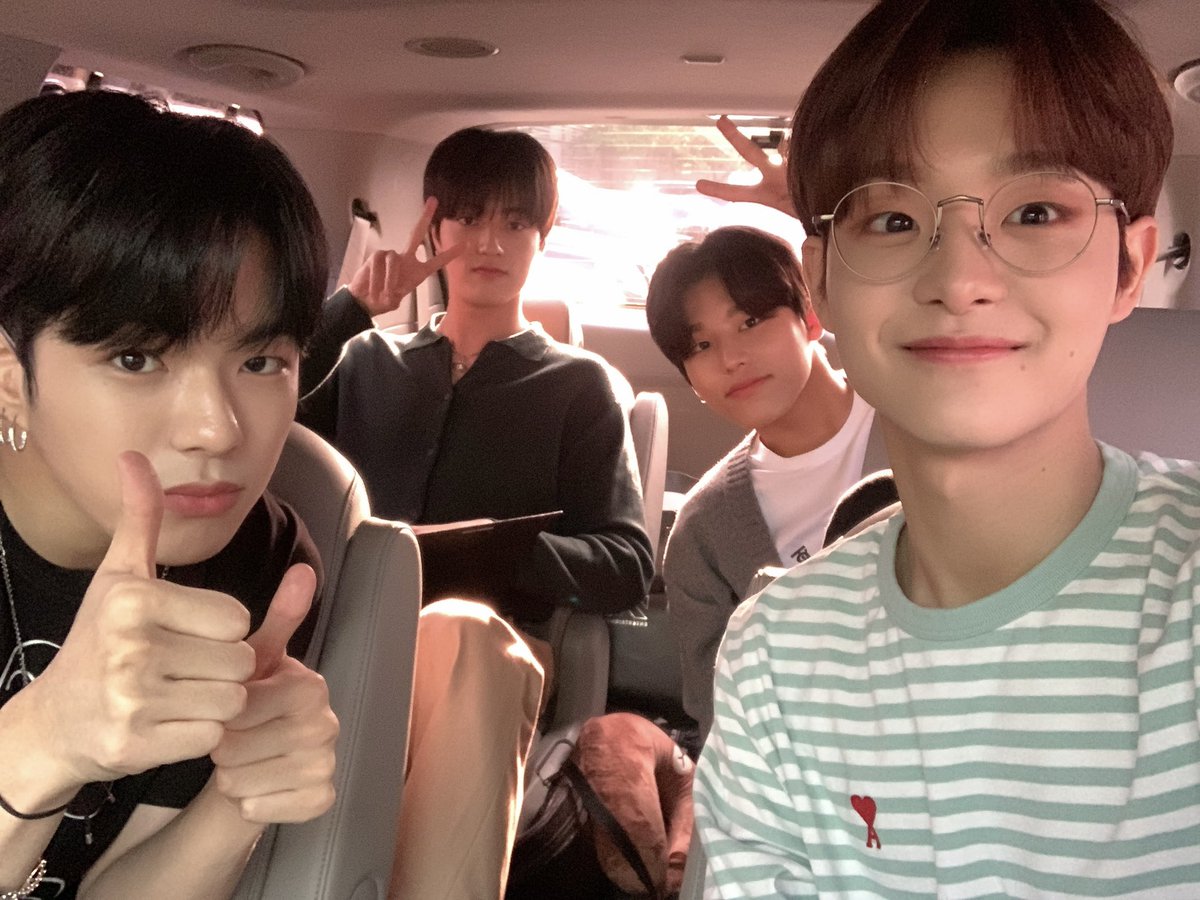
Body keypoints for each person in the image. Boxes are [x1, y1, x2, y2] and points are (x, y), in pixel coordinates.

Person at [693, 0, 1199, 895]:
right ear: (820, 282)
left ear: (1129, 265)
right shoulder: (773, 656)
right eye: (891, 221)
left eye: (1035, 211)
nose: (959, 279)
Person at [299, 126, 654, 898]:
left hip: (494, 646)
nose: (490, 241)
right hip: (345, 635)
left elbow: (628, 563)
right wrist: (352, 309)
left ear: (543, 235)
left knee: (461, 633)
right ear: (433, 229)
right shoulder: (363, 360)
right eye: (467, 217)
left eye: (515, 221)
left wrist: (505, 548)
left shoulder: (581, 386)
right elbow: (256, 420)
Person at [0, 90, 338, 899]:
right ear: (9, 377)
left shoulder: (262, 565)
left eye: (259, 362)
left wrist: (237, 801)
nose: (217, 430)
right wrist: (43, 743)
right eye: (137, 358)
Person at [645, 225, 878, 736]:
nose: (731, 358)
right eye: (701, 344)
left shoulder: (918, 424)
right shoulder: (704, 532)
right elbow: (722, 719)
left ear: (810, 316)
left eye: (750, 321)